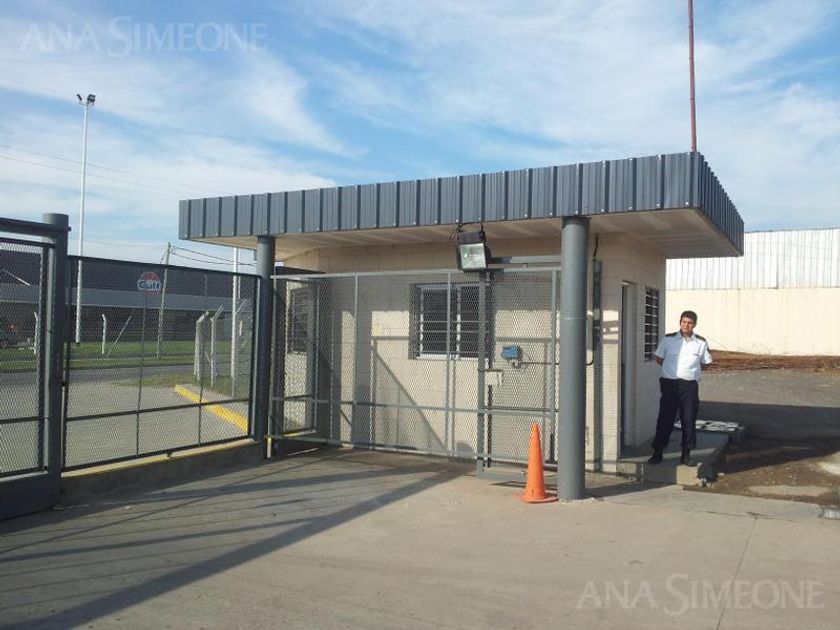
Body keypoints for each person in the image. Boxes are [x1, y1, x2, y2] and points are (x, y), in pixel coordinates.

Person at [648, 310, 712, 466]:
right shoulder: (668, 340)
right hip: (670, 385)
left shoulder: (701, 342)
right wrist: (671, 371)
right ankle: (658, 452)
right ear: (680, 322)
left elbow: (706, 363)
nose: (686, 325)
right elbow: (659, 358)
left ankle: (686, 454)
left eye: (689, 323)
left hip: (689, 387)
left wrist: (691, 372)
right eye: (684, 321)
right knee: (665, 419)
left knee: (688, 420)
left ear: (694, 325)